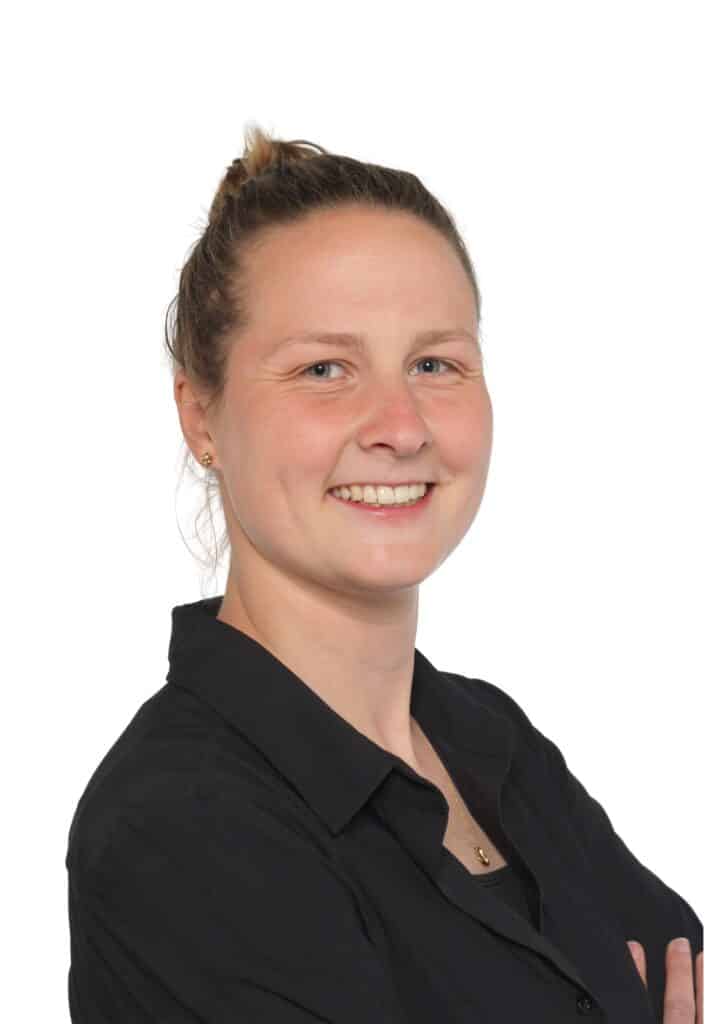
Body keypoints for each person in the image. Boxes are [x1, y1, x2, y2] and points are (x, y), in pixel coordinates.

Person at [65, 124, 703, 1023]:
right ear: (201, 416)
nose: (401, 427)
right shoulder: (177, 827)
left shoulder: (491, 739)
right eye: (325, 369)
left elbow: (675, 954)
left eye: (435, 363)